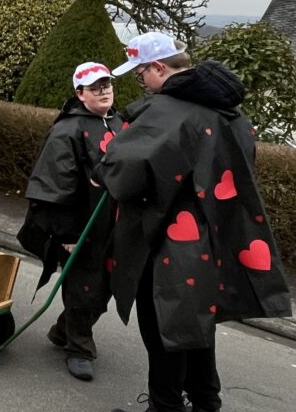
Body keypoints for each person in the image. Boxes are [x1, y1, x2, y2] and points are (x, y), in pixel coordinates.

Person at [98, 32, 291, 412]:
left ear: (157, 68)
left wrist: (102, 172)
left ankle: (165, 407)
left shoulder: (169, 111)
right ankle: (205, 402)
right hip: (216, 238)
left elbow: (127, 172)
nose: (141, 83)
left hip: (169, 244)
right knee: (197, 324)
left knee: (163, 329)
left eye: (140, 74)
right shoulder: (228, 112)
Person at [16, 62, 122, 382]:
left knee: (107, 288)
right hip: (79, 228)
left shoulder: (119, 123)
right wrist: (65, 232)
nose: (104, 91)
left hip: (113, 226)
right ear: (80, 93)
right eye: (95, 87)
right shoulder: (68, 130)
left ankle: (63, 330)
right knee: (84, 286)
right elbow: (54, 182)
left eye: (107, 85)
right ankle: (79, 348)